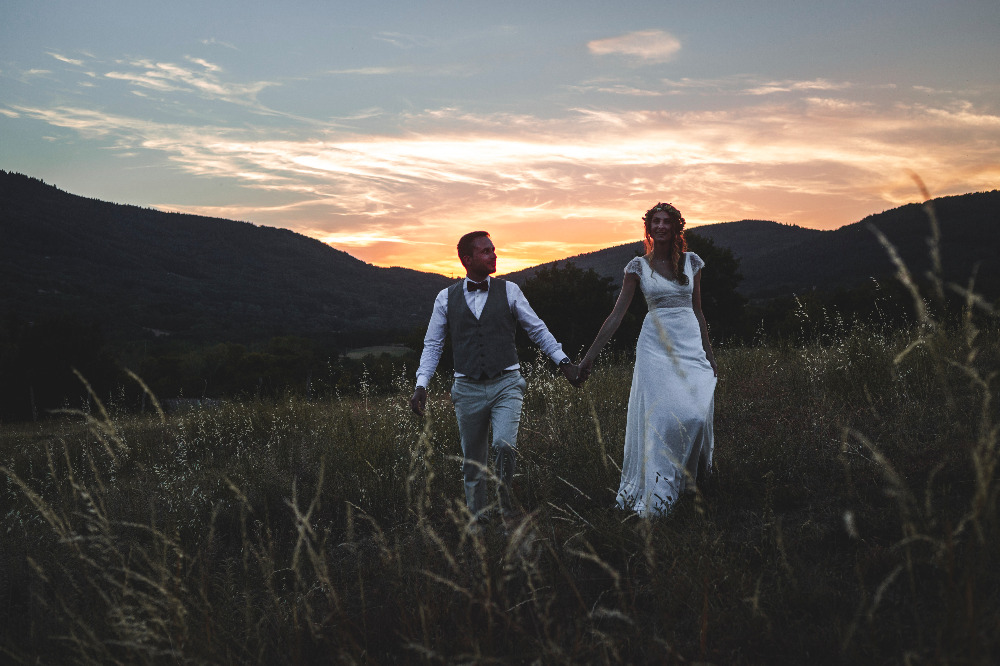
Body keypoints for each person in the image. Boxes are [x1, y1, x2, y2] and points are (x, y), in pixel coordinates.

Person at [410, 231, 580, 525]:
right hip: (466, 388)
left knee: (504, 445)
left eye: (493, 249)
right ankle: (477, 520)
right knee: (473, 462)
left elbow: (537, 329)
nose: (494, 255)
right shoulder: (445, 299)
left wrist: (563, 362)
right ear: (467, 259)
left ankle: (506, 509)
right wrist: (421, 384)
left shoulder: (510, 291)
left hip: (507, 382)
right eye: (486, 251)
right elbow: (433, 345)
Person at [578, 202, 718, 516]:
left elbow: (698, 311)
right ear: (649, 227)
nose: (661, 227)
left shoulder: (692, 263)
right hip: (654, 346)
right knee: (664, 418)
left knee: (695, 412)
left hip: (689, 343)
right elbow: (616, 316)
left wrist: (709, 354)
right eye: (656, 222)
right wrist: (589, 358)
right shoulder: (637, 267)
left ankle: (691, 482)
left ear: (676, 227)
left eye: (667, 222)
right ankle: (659, 489)